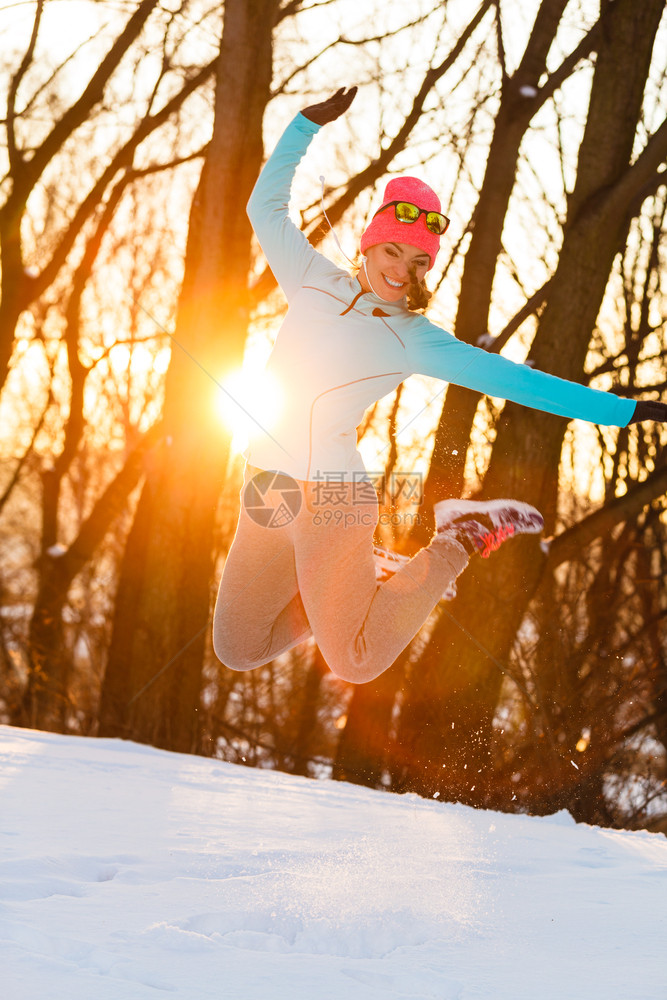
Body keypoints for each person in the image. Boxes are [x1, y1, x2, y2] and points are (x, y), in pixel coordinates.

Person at [213, 87, 667, 685]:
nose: (400, 271)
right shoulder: (310, 279)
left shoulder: (414, 337)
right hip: (268, 491)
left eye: (418, 263)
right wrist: (304, 125)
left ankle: (459, 536)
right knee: (239, 647)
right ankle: (365, 574)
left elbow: (518, 382)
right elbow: (265, 208)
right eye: (392, 251)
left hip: (333, 500)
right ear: (370, 243)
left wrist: (624, 411)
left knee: (355, 659)